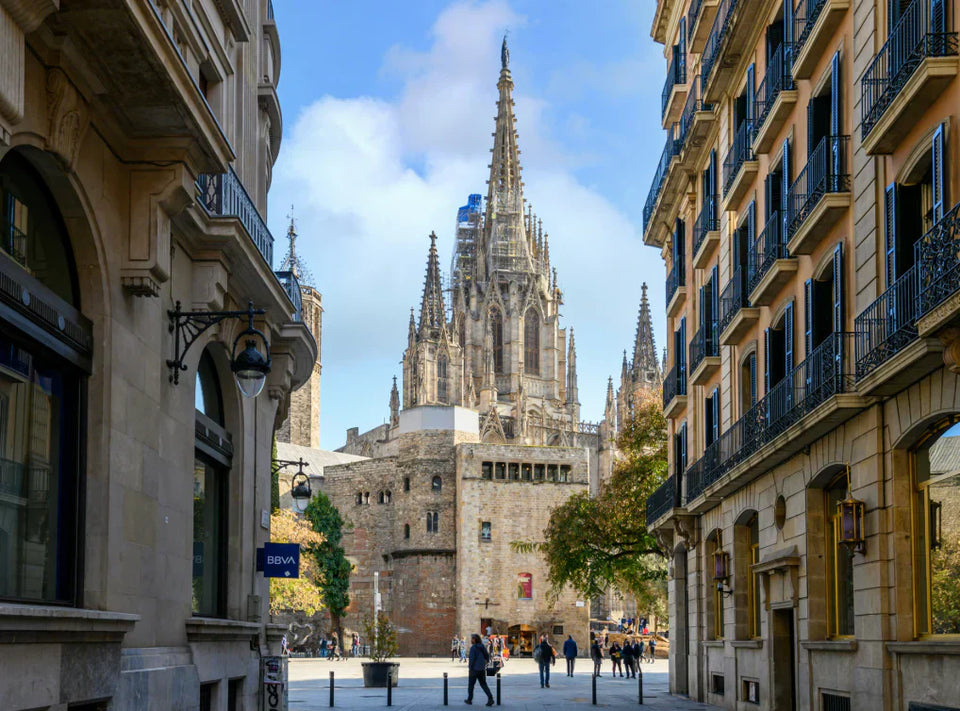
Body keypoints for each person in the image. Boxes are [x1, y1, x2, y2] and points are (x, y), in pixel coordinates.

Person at [465, 633, 495, 706]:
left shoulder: (473, 648)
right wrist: (484, 663)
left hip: (474, 670)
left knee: (471, 685)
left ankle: (469, 699)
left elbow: (472, 659)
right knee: (483, 684)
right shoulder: (482, 647)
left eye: (472, 638)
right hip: (481, 669)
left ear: (475, 640)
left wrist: (470, 668)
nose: (471, 640)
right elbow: (487, 657)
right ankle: (490, 698)